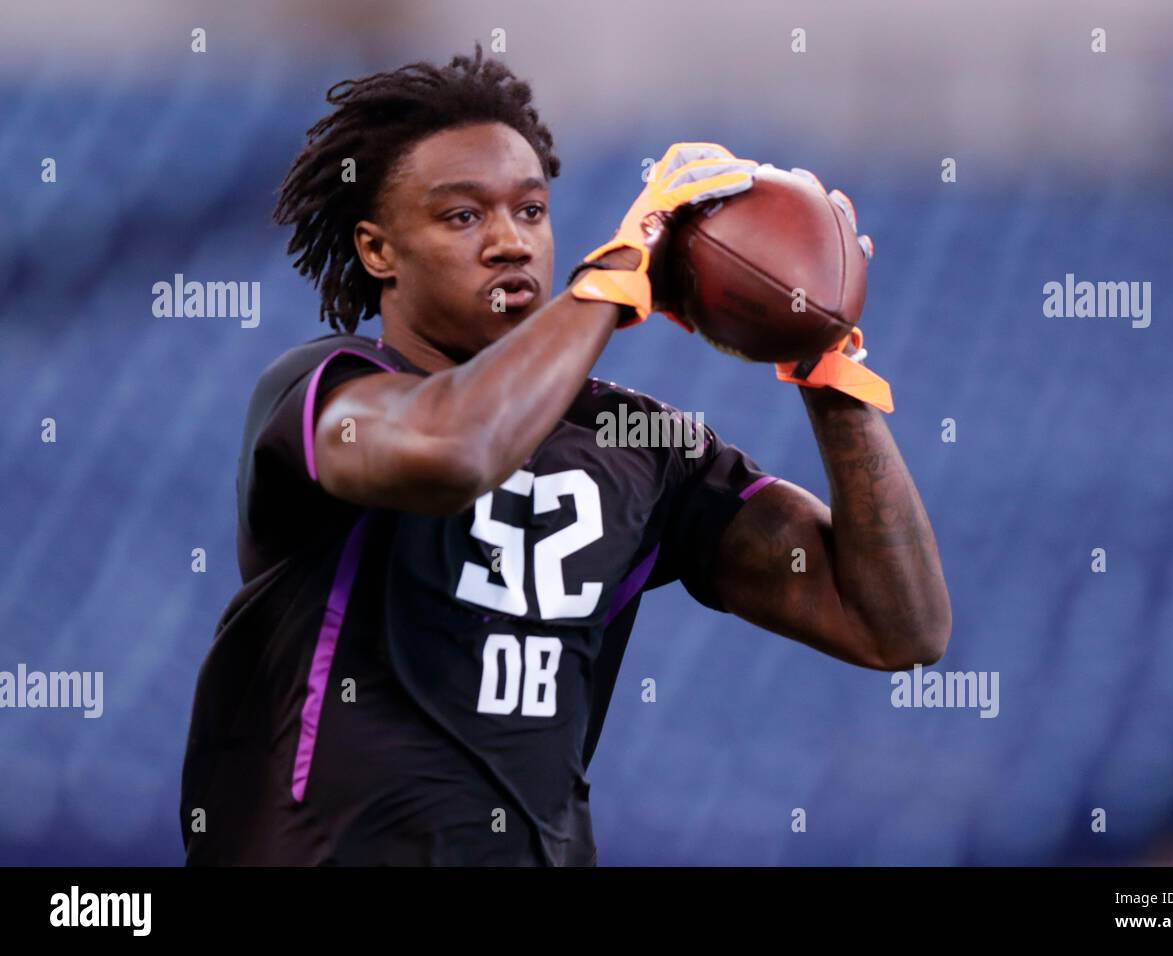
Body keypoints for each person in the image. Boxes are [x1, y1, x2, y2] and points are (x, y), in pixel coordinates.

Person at [179, 45, 951, 866]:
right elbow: (456, 450)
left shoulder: (638, 445)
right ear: (378, 252)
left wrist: (824, 365)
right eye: (463, 216)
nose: (511, 242)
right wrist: (619, 274)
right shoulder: (327, 392)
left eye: (533, 211)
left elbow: (894, 627)